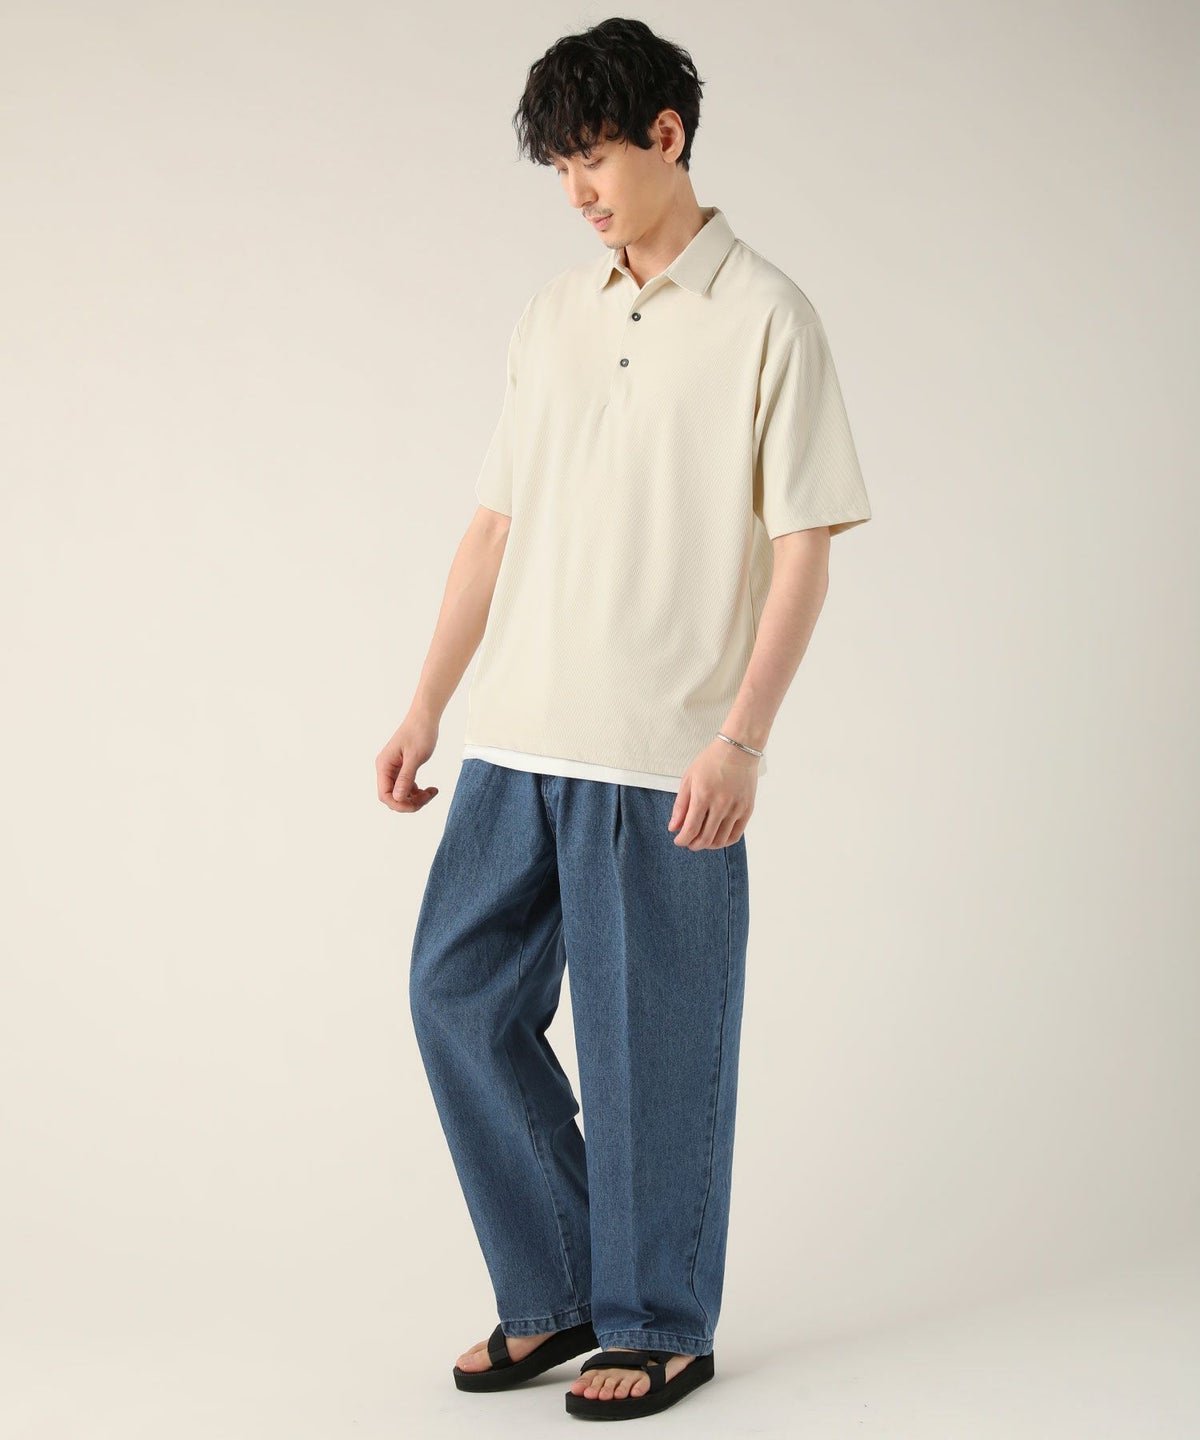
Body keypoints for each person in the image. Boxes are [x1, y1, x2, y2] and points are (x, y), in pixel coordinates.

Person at [376, 16, 872, 1421]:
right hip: (514, 737)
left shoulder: (769, 316)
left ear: (668, 134)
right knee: (455, 997)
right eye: (558, 166)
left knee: (650, 1051)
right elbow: (492, 525)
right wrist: (426, 701)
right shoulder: (554, 314)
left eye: (593, 155)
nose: (577, 189)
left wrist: (744, 739)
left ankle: (658, 1323)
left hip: (663, 754)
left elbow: (805, 549)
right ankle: (561, 1289)